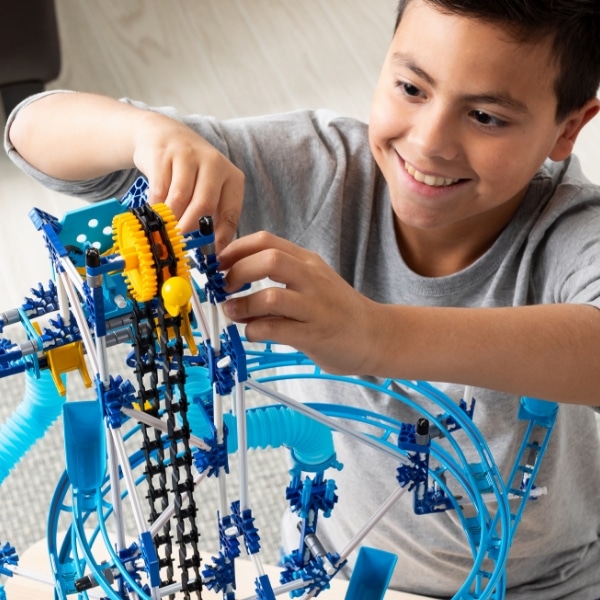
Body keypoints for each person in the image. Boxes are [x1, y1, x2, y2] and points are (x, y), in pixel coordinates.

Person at [4, 0, 600, 597]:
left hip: (548, 582)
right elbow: (29, 129)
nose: (429, 142)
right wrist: (148, 136)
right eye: (411, 87)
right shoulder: (319, 169)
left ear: (568, 128)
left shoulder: (571, 232)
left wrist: (378, 337)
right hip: (334, 563)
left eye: (487, 117)